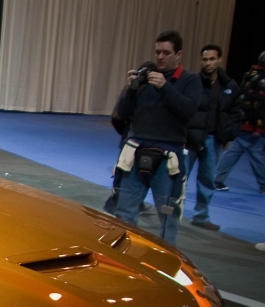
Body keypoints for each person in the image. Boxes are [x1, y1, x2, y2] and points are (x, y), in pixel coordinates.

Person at [112, 30, 201, 245]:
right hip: (135, 151)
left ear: (178, 54)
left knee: (168, 214)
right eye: (157, 52)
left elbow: (189, 111)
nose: (160, 57)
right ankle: (127, 258)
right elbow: (122, 113)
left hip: (168, 156)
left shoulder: (190, 80)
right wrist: (131, 89)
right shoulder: (144, 80)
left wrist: (165, 87)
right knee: (124, 211)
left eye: (166, 53)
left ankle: (166, 260)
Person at [184, 44, 242, 230]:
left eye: (211, 59)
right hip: (191, 138)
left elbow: (236, 112)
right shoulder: (193, 82)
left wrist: (229, 136)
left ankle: (201, 216)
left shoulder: (230, 86)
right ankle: (172, 212)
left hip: (214, 140)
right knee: (179, 177)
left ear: (219, 60)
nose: (208, 63)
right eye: (204, 59)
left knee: (208, 179)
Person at [214, 50, 265, 195]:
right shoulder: (263, 79)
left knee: (234, 151)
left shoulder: (250, 74)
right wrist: (257, 126)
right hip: (254, 124)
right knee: (257, 154)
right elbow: (259, 104)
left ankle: (216, 179)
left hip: (242, 121)